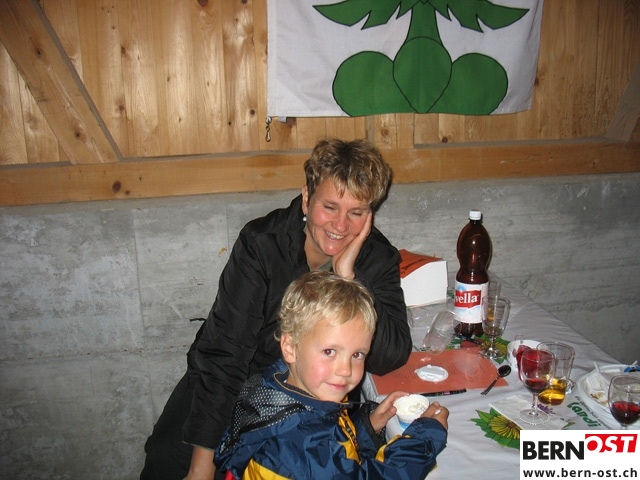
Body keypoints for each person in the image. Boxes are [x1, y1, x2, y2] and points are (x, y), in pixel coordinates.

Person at [141, 138, 413, 480]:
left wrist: (349, 279)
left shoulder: (377, 258)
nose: (341, 226)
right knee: (168, 462)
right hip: (230, 387)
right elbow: (225, 355)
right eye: (330, 207)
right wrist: (201, 467)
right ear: (306, 198)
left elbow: (391, 354)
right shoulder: (261, 244)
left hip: (315, 397)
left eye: (356, 212)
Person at [214, 271, 449, 479]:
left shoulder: (281, 390)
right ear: (290, 347)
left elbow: (334, 455)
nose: (345, 370)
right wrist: (424, 438)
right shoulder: (302, 450)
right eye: (329, 352)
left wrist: (367, 428)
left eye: (357, 354)